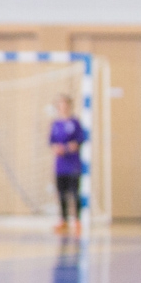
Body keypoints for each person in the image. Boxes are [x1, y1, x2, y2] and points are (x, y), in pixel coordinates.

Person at [49, 94, 86, 236]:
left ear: (69, 106)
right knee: (61, 193)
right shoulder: (55, 124)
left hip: (73, 165)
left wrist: (68, 147)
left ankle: (77, 220)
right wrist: (56, 149)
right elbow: (51, 142)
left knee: (74, 193)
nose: (63, 107)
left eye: (65, 104)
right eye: (60, 104)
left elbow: (79, 141)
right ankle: (63, 220)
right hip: (60, 166)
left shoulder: (75, 123)